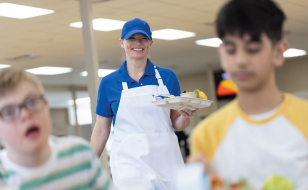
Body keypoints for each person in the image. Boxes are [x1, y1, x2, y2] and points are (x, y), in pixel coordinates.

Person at [190, 0, 308, 189]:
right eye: (231, 50)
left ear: (278, 51)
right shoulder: (206, 134)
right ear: (221, 53)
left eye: (252, 49)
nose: (241, 60)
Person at [91, 18, 197, 190]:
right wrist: (87, 166)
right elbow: (101, 131)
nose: (138, 43)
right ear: (122, 42)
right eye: (132, 38)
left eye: (143, 38)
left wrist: (186, 115)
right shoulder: (109, 83)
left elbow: (177, 123)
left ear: (150, 43)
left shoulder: (168, 77)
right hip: (129, 164)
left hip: (167, 162)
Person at [0, 68, 115, 190]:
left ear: (46, 105)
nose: (25, 114)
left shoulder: (79, 154)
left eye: (32, 102)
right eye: (9, 112)